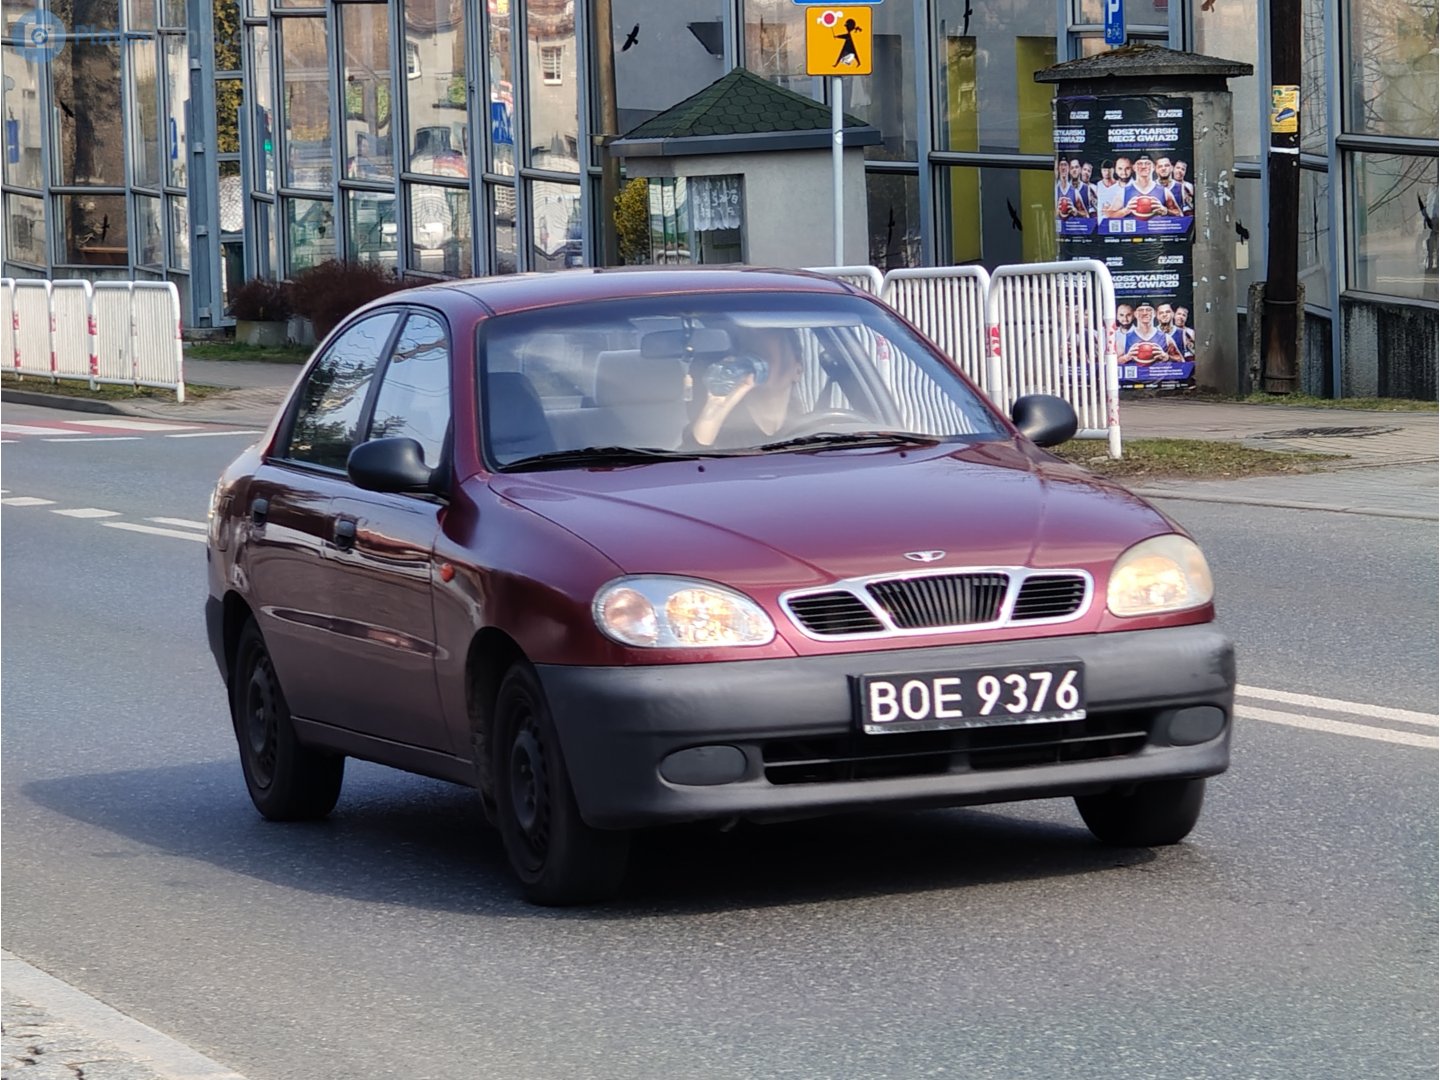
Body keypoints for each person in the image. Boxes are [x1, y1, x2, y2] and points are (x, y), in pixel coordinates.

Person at [684, 328, 807, 448]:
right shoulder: (727, 433)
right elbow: (690, 462)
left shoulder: (813, 431)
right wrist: (715, 409)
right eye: (748, 350)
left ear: (798, 371)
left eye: (765, 353)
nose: (756, 343)